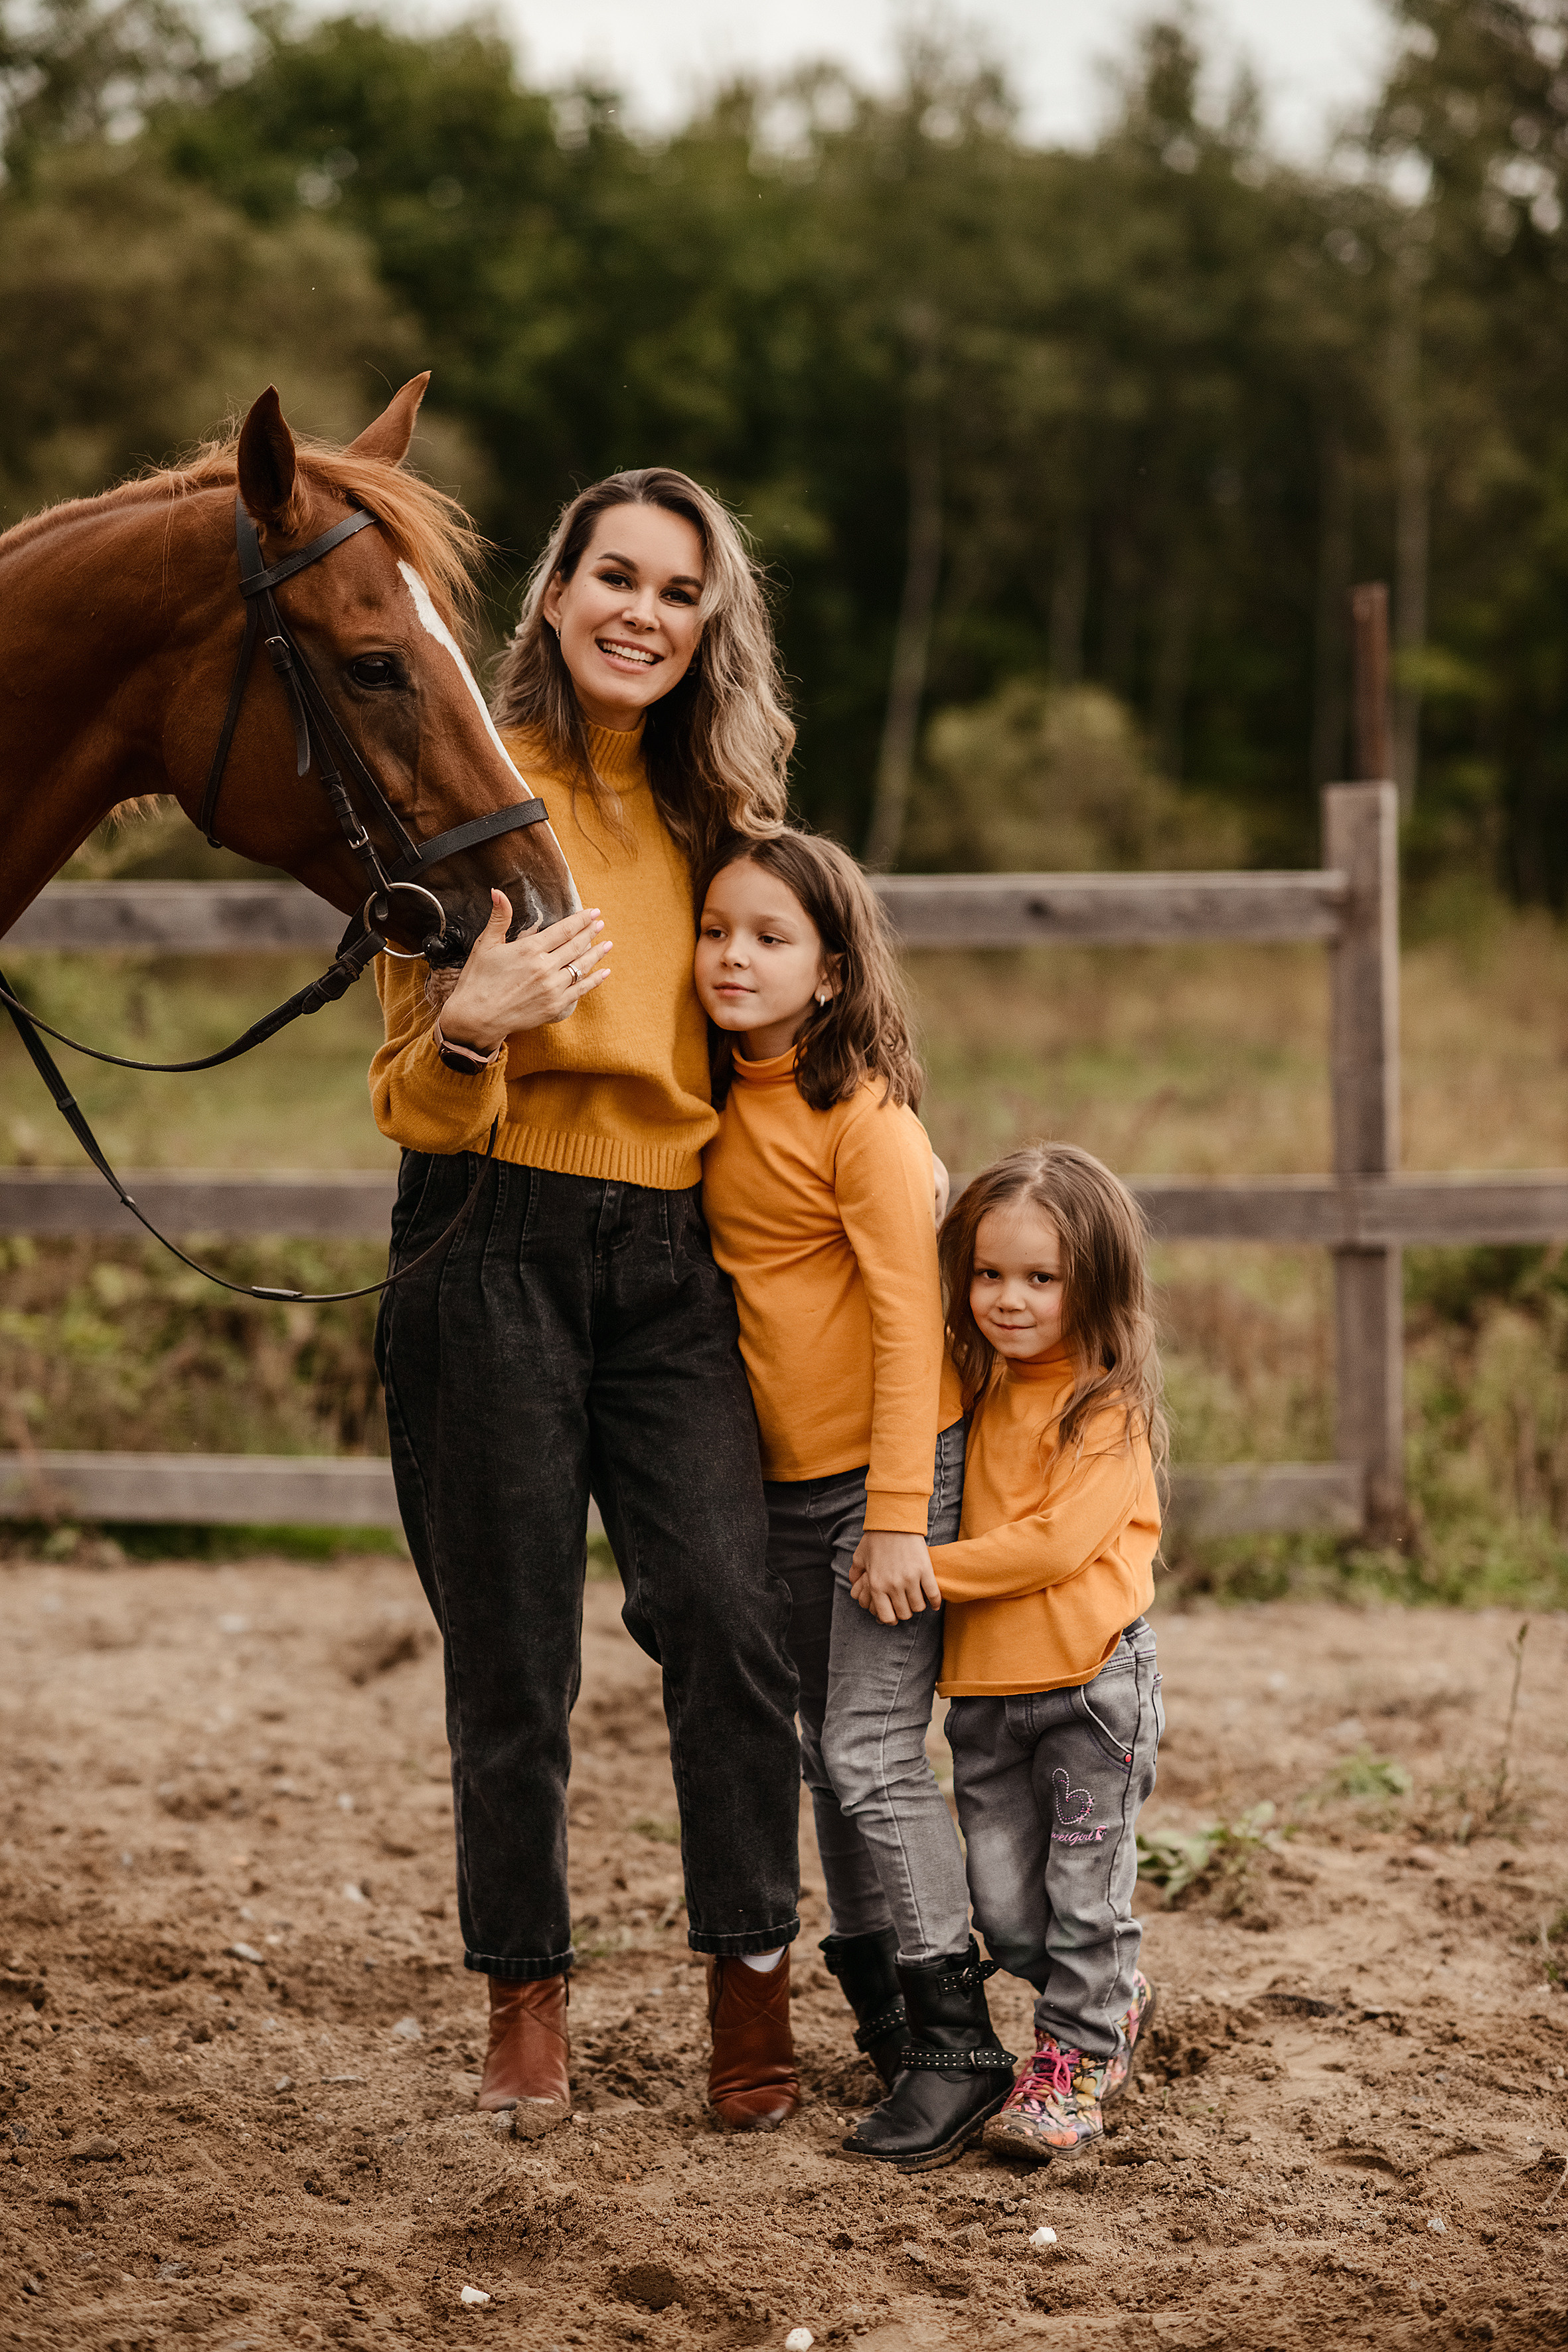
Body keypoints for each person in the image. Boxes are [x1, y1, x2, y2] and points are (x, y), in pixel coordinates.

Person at [369, 469, 805, 2135]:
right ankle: (525, 1995)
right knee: (513, 1652)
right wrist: (472, 1019)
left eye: (675, 590)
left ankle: (749, 1976)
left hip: (670, 1254)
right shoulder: (470, 789)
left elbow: (786, 1041)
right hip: (485, 1242)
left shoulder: (720, 822)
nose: (640, 610)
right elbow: (409, 1095)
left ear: (708, 627)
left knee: (725, 1610)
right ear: (551, 595)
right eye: (610, 575)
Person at [695, 832, 1015, 2171]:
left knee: (876, 1751)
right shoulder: (712, 1094)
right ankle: (885, 2011)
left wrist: (896, 1515)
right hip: (774, 1486)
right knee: (829, 1754)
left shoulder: (865, 1118)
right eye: (714, 929)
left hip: (887, 1479)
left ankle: (960, 2042)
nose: (730, 956)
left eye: (769, 938)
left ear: (828, 972)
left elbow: (909, 1327)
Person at [868, 1140, 1165, 2168]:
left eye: (1040, 1278)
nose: (1009, 1299)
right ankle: (1111, 1997)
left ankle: (1072, 2064)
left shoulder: (1106, 1407)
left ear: (1096, 1282)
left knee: (1083, 1893)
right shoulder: (978, 1384)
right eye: (988, 1274)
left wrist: (922, 1566)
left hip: (1089, 1693)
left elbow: (1049, 1544)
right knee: (1003, 1907)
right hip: (987, 1699)